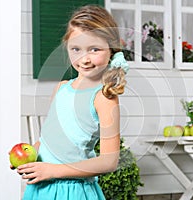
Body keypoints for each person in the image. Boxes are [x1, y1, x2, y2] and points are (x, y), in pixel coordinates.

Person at [17, 5, 129, 200]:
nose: (84, 59)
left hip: (72, 191)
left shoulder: (104, 96)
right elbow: (48, 140)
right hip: (41, 189)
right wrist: (28, 155)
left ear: (111, 49)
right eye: (76, 49)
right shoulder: (61, 88)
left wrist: (53, 171)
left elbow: (109, 161)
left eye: (94, 49)